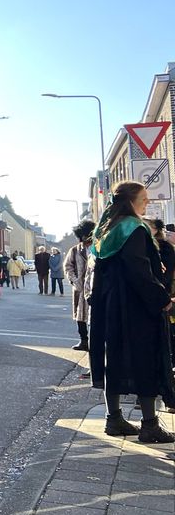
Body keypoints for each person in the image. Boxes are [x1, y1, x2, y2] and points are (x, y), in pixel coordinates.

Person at [88, 181, 175, 443]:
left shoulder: (106, 230)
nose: (147, 202)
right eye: (144, 198)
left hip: (109, 305)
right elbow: (139, 270)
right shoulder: (134, 229)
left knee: (112, 357)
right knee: (145, 357)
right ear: (131, 201)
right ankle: (149, 424)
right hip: (135, 305)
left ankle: (113, 418)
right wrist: (161, 298)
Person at [149, 219, 175, 412]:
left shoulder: (164, 249)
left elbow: (164, 278)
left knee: (165, 352)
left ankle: (167, 396)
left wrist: (164, 298)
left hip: (163, 303)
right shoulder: (144, 246)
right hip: (155, 304)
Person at [64, 221, 94, 351]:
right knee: (80, 316)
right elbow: (68, 266)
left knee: (93, 316)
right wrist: (74, 280)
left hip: (94, 288)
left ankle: (95, 342)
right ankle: (83, 340)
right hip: (80, 288)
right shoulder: (75, 250)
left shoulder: (98, 248)